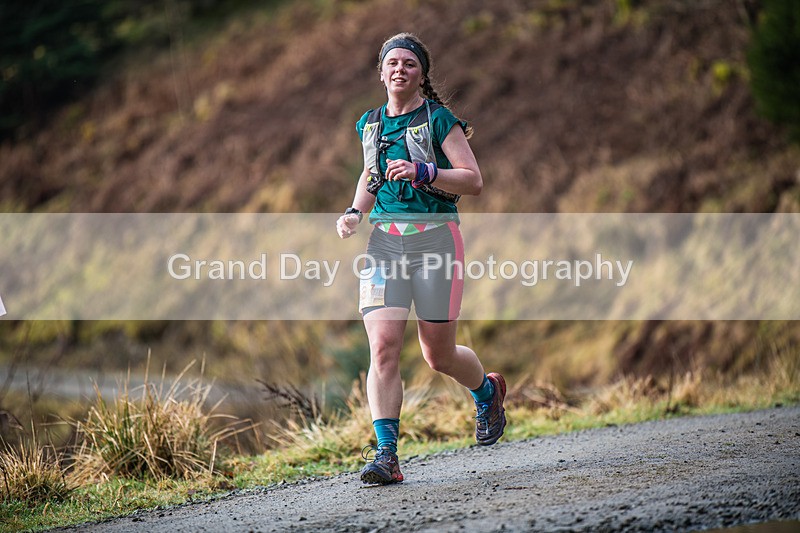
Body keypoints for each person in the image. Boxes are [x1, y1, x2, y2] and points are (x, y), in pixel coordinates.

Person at [336, 32, 506, 486]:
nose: (400, 69)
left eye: (409, 63)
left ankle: (486, 392)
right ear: (380, 72)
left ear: (421, 75)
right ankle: (386, 455)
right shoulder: (370, 123)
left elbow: (472, 180)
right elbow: (370, 174)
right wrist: (355, 212)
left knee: (438, 354)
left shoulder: (438, 120)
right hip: (384, 244)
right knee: (382, 346)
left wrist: (424, 170)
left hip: (436, 243)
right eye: (392, 62)